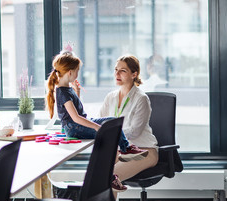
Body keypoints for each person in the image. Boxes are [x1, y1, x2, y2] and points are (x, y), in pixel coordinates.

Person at [45, 49, 148, 192]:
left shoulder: (67, 89)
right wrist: (97, 127)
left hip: (77, 124)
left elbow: (76, 111)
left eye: (122, 71)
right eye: (77, 71)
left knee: (112, 121)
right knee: (107, 130)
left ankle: (126, 149)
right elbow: (75, 118)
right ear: (70, 73)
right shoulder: (62, 91)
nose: (77, 74)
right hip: (74, 127)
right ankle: (118, 161)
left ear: (134, 74)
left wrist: (78, 94)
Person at [100, 54, 159, 185]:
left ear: (134, 74)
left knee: (110, 177)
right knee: (97, 174)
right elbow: (101, 123)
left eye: (123, 70)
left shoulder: (141, 98)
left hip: (144, 150)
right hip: (122, 150)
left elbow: (134, 131)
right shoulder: (110, 97)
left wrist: (111, 133)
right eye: (116, 70)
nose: (117, 74)